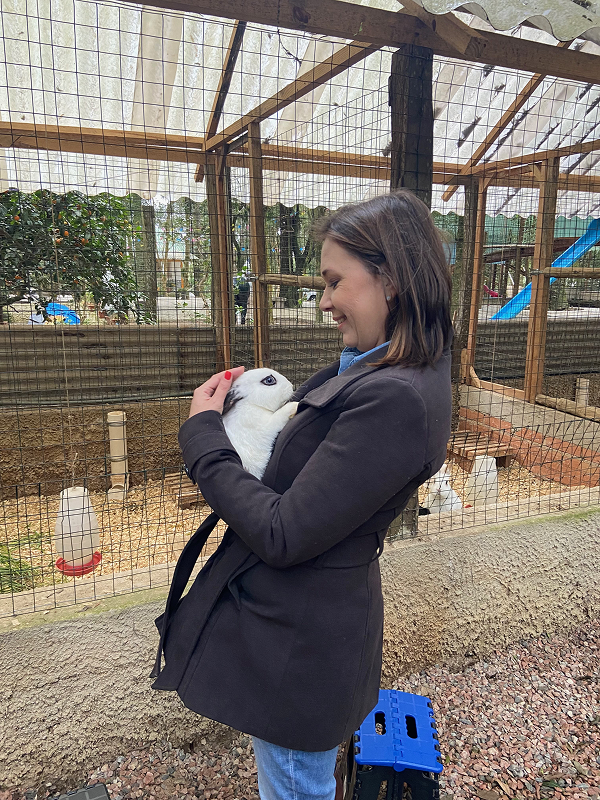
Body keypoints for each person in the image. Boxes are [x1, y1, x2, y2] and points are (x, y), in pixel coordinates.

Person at [151, 190, 453, 800]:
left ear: (390, 278)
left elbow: (284, 531)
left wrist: (204, 438)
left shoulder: (394, 397)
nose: (324, 302)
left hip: (301, 648)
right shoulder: (377, 367)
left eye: (335, 281)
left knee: (293, 787)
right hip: (308, 629)